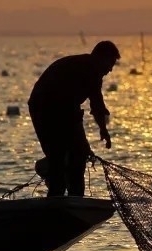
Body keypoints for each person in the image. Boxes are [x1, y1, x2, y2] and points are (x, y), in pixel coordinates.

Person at [27, 40, 119, 197]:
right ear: (101, 58)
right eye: (110, 63)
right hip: (44, 108)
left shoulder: (95, 73)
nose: (110, 70)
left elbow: (96, 104)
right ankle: (55, 191)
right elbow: (75, 111)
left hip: (65, 110)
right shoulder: (86, 69)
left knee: (78, 156)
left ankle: (74, 197)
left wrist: (103, 130)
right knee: (58, 159)